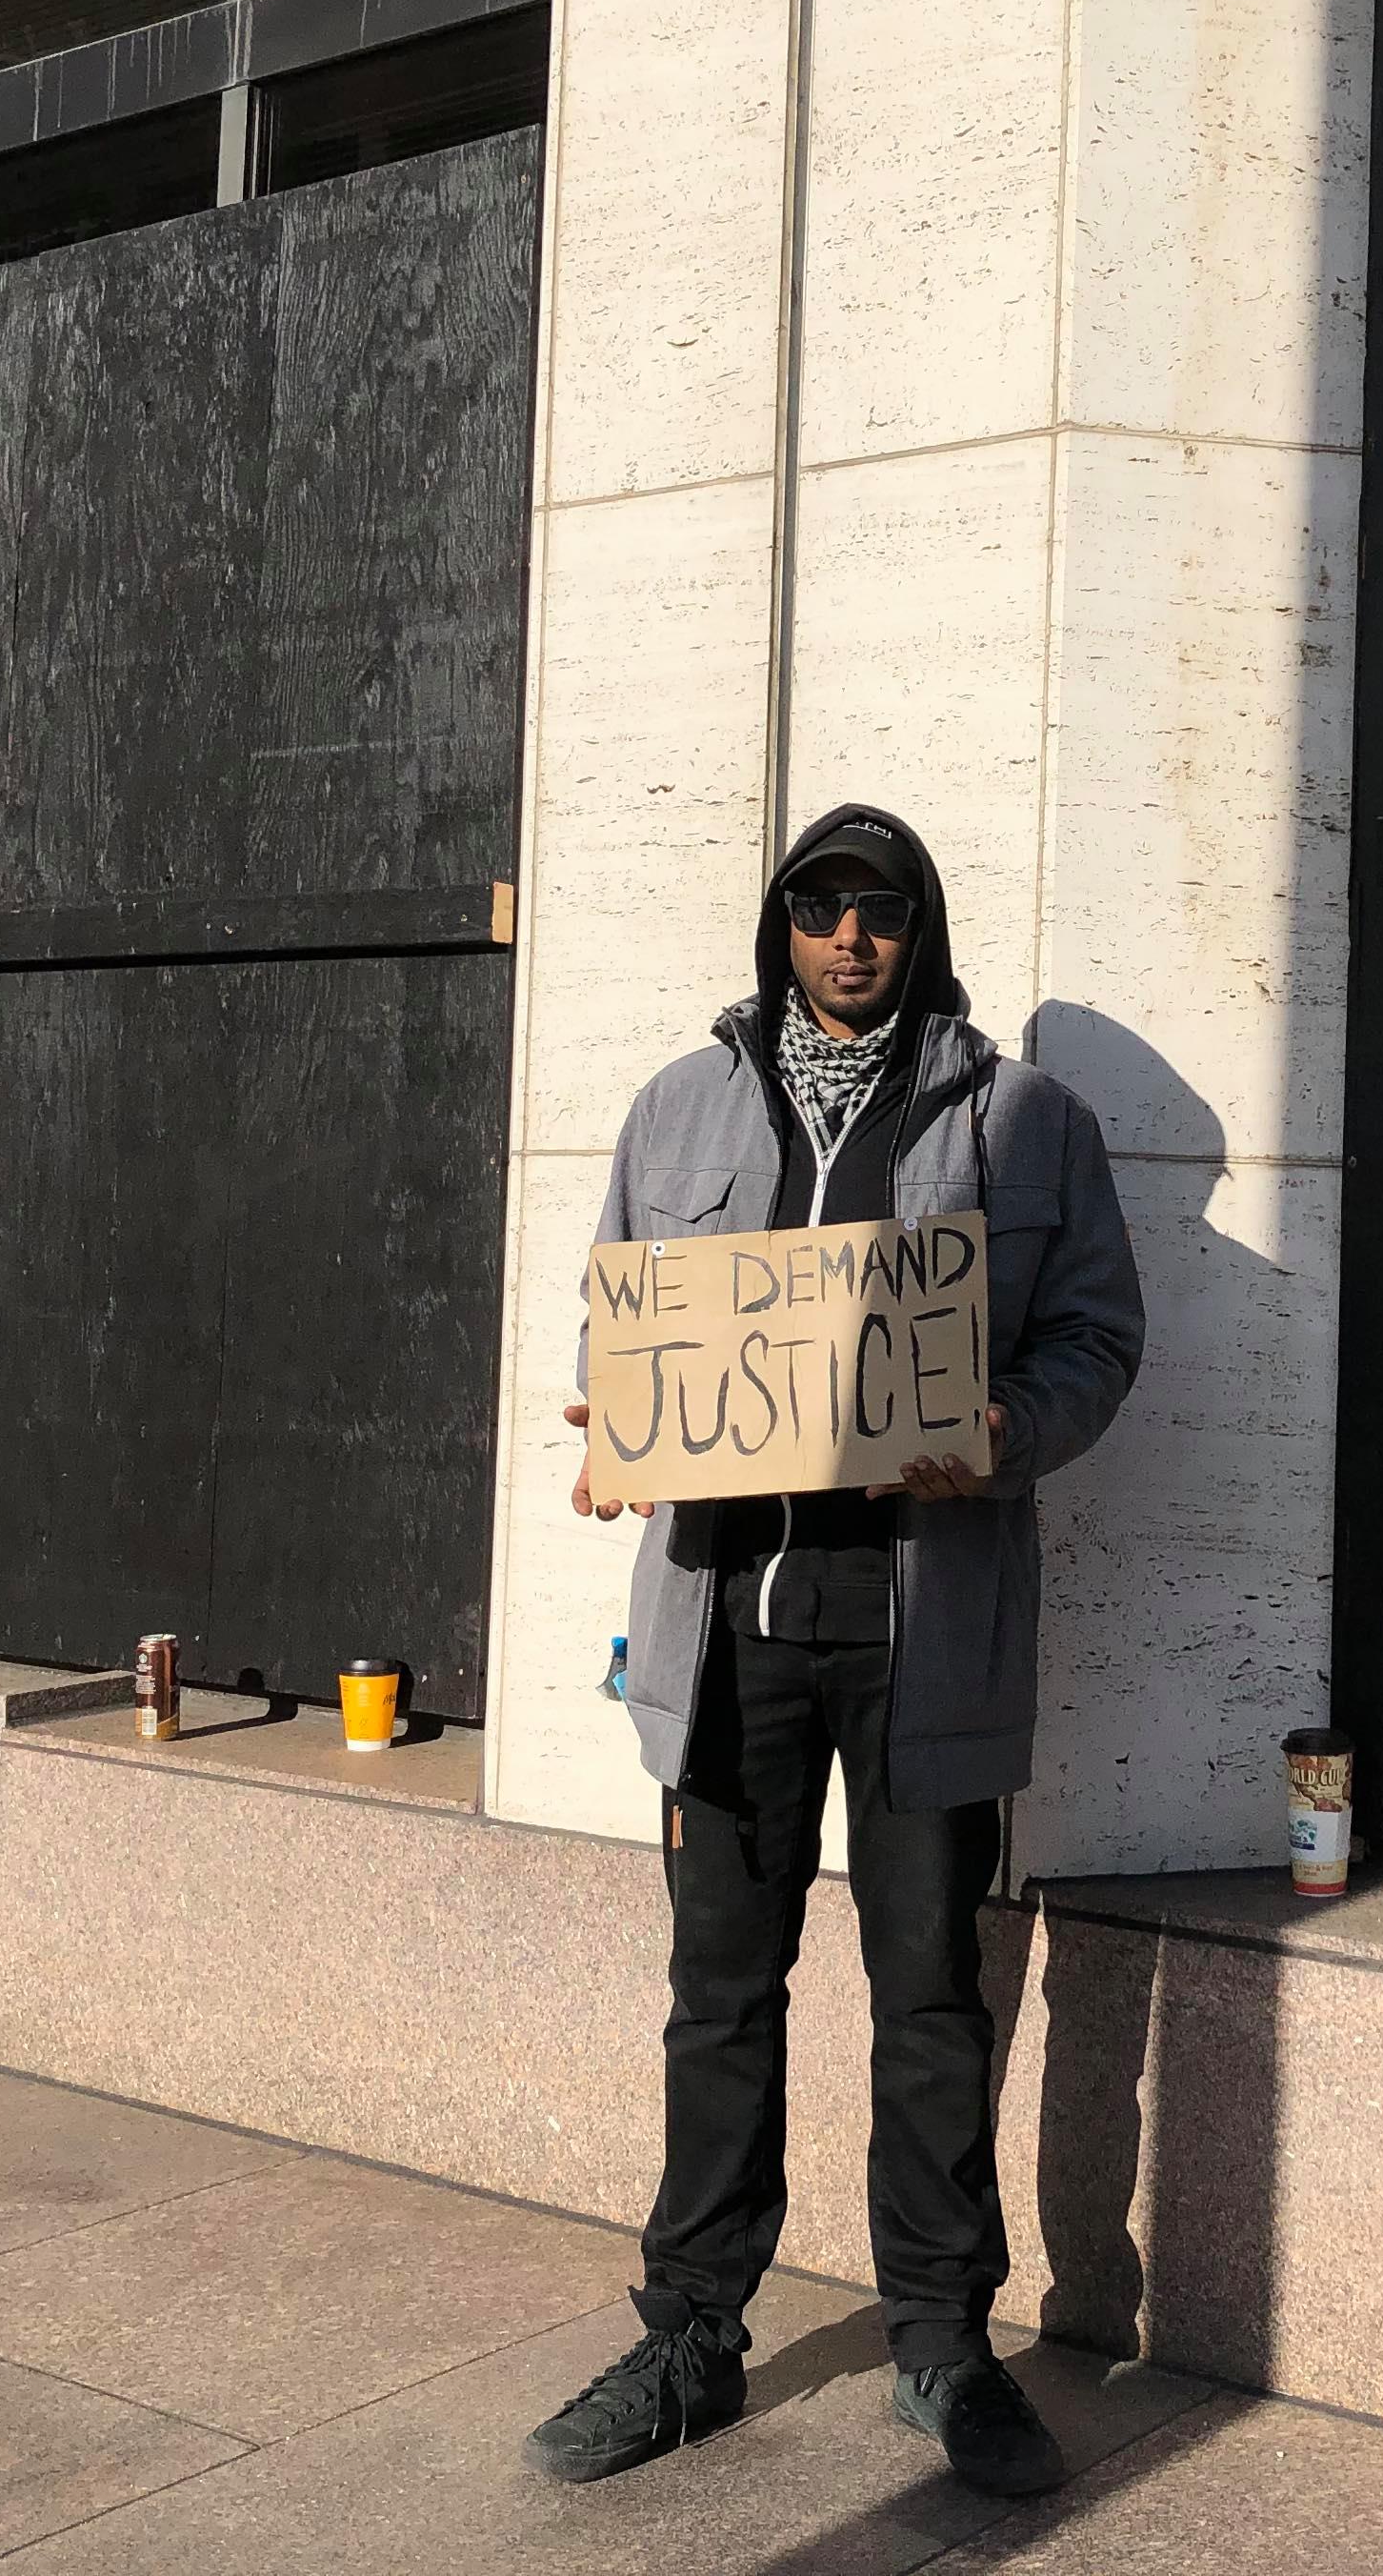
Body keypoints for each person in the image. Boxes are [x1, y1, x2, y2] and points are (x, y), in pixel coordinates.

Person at [529, 803, 1146, 2499]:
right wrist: (617, 1418)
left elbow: (1098, 1338)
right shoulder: (679, 1105)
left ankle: (943, 2343)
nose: (849, 936)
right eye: (820, 907)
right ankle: (690, 2336)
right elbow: (620, 1315)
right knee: (719, 1996)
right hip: (730, 1633)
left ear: (918, 927)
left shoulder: (1026, 1120)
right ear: (781, 927)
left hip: (920, 1636)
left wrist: (1005, 1426)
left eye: (880, 908)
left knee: (931, 1995)